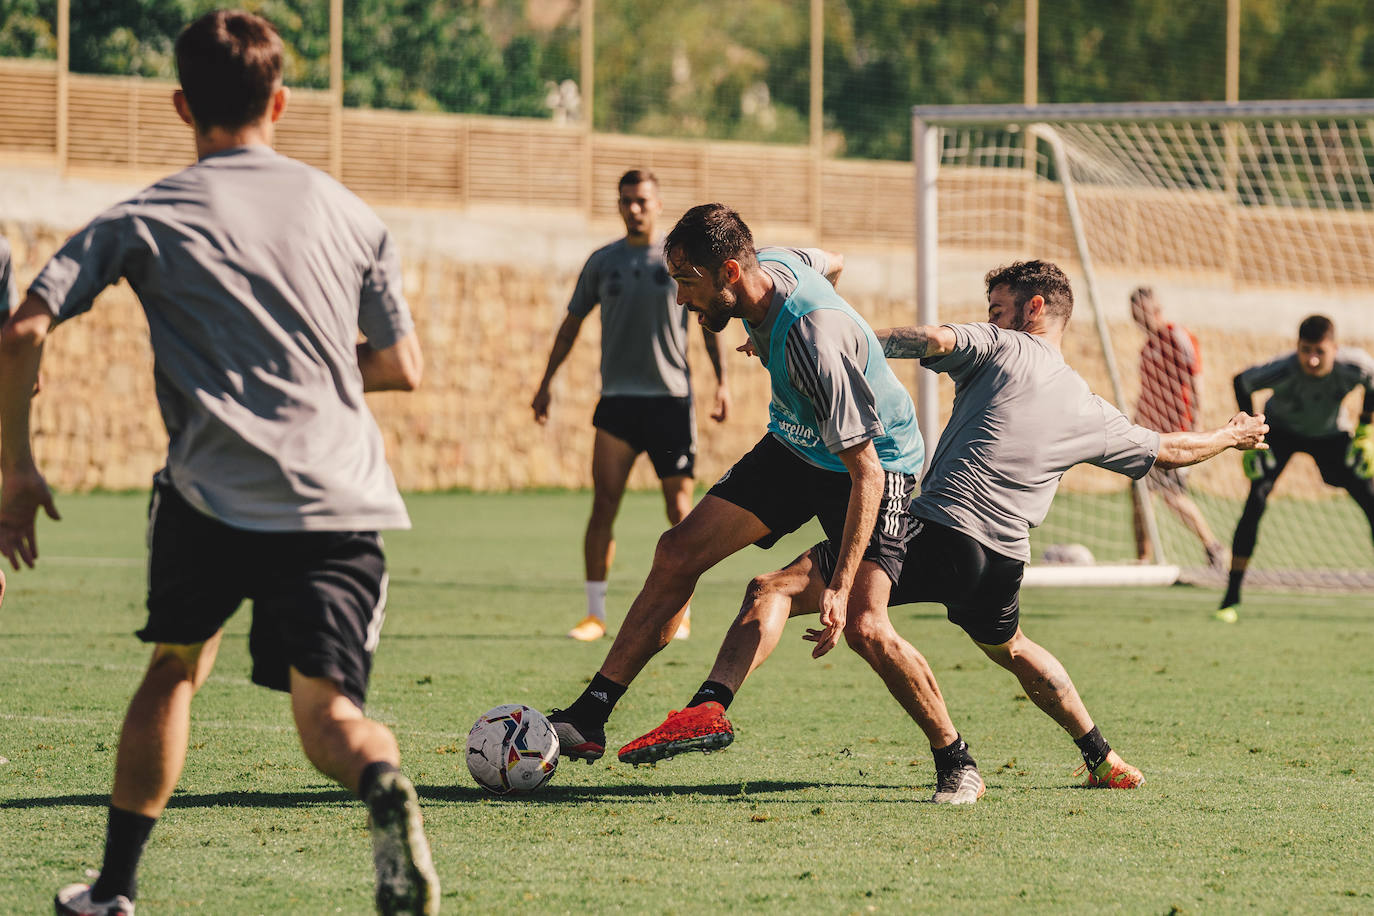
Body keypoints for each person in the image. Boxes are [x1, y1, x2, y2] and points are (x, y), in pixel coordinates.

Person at [0, 11, 438, 915]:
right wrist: (310, 366)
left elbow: (23, 330)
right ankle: (382, 783)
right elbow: (402, 366)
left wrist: (16, 465)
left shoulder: (146, 215)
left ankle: (114, 891)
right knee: (330, 719)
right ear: (281, 101)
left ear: (180, 105)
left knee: (173, 670)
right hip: (339, 497)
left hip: (210, 495)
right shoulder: (351, 212)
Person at [621, 260, 1269, 791]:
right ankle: (1101, 755)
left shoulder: (1004, 347)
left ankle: (946, 759)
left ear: (1035, 308)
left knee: (786, 592)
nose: (989, 318)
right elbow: (1165, 450)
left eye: (998, 306)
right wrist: (1228, 435)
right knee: (1009, 648)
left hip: (938, 529)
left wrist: (832, 344)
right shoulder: (1090, 407)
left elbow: (932, 340)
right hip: (1004, 560)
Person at [552, 203, 990, 805]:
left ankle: (956, 760)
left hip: (875, 465)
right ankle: (590, 716)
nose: (681, 301)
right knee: (678, 551)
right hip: (795, 445)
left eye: (687, 283)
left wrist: (836, 586)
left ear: (730, 271)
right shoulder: (776, 265)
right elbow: (832, 261)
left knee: (864, 624)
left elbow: (863, 470)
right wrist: (813, 331)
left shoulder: (813, 344)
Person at [532, 170, 730, 642]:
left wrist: (722, 383)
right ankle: (595, 614)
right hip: (618, 404)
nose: (633, 208)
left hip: (670, 404)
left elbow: (707, 321)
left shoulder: (680, 262)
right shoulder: (603, 263)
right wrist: (545, 383)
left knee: (680, 509)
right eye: (625, 201)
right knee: (603, 505)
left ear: (658, 204)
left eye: (641, 200)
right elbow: (570, 325)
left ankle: (680, 612)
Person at [1218, 314, 1374, 621]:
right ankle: (1231, 597)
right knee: (1257, 499)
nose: (1312, 360)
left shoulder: (1353, 367)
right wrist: (1251, 432)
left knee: (1370, 497)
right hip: (1281, 432)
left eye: (1320, 352)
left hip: (1330, 435)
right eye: (1306, 351)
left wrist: (1365, 430)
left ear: (1335, 348)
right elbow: (1242, 381)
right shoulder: (1285, 368)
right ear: (1297, 347)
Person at [1128, 287, 1228, 569]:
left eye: (1142, 311)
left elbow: (1196, 380)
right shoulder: (1146, 350)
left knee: (1172, 495)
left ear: (1155, 310)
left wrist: (1196, 425)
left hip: (1177, 434)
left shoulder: (1177, 336)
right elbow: (1146, 393)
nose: (1138, 318)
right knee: (1139, 493)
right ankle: (1143, 559)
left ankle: (1213, 546)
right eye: (1134, 313)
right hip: (1150, 435)